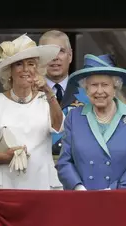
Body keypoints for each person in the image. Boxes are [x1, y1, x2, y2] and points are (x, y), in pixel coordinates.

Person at [0, 34, 64, 190]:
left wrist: (48, 92)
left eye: (31, 64)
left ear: (37, 69)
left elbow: (59, 125)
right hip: (4, 185)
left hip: (42, 184)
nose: (26, 69)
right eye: (19, 64)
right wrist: (3, 157)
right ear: (9, 71)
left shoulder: (46, 99)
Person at [56, 54, 126, 190]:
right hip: (83, 198)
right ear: (86, 89)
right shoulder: (74, 117)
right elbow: (64, 161)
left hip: (121, 198)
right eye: (93, 85)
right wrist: (78, 188)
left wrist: (115, 190)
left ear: (115, 87)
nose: (99, 91)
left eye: (105, 85)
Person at [39, 30, 81, 158]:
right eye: (48, 52)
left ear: (70, 55)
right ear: (39, 57)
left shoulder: (88, 94)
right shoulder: (28, 94)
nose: (55, 57)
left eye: (61, 51)